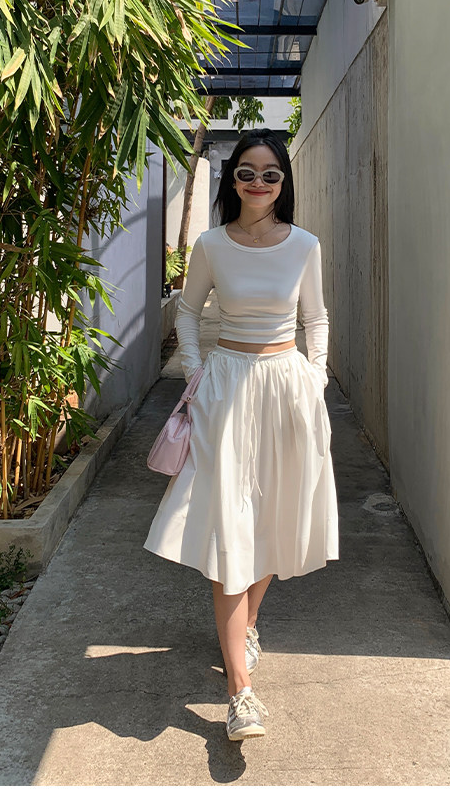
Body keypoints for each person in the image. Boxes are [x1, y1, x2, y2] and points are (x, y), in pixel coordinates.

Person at [144, 127, 339, 741]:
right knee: (228, 525)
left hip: (287, 388)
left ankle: (247, 625)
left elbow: (316, 317)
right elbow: (188, 312)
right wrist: (196, 372)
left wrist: (316, 377)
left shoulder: (303, 244)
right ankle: (240, 693)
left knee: (273, 515)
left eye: (270, 174)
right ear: (232, 180)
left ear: (284, 182)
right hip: (226, 387)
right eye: (247, 173)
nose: (258, 183)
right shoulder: (211, 244)